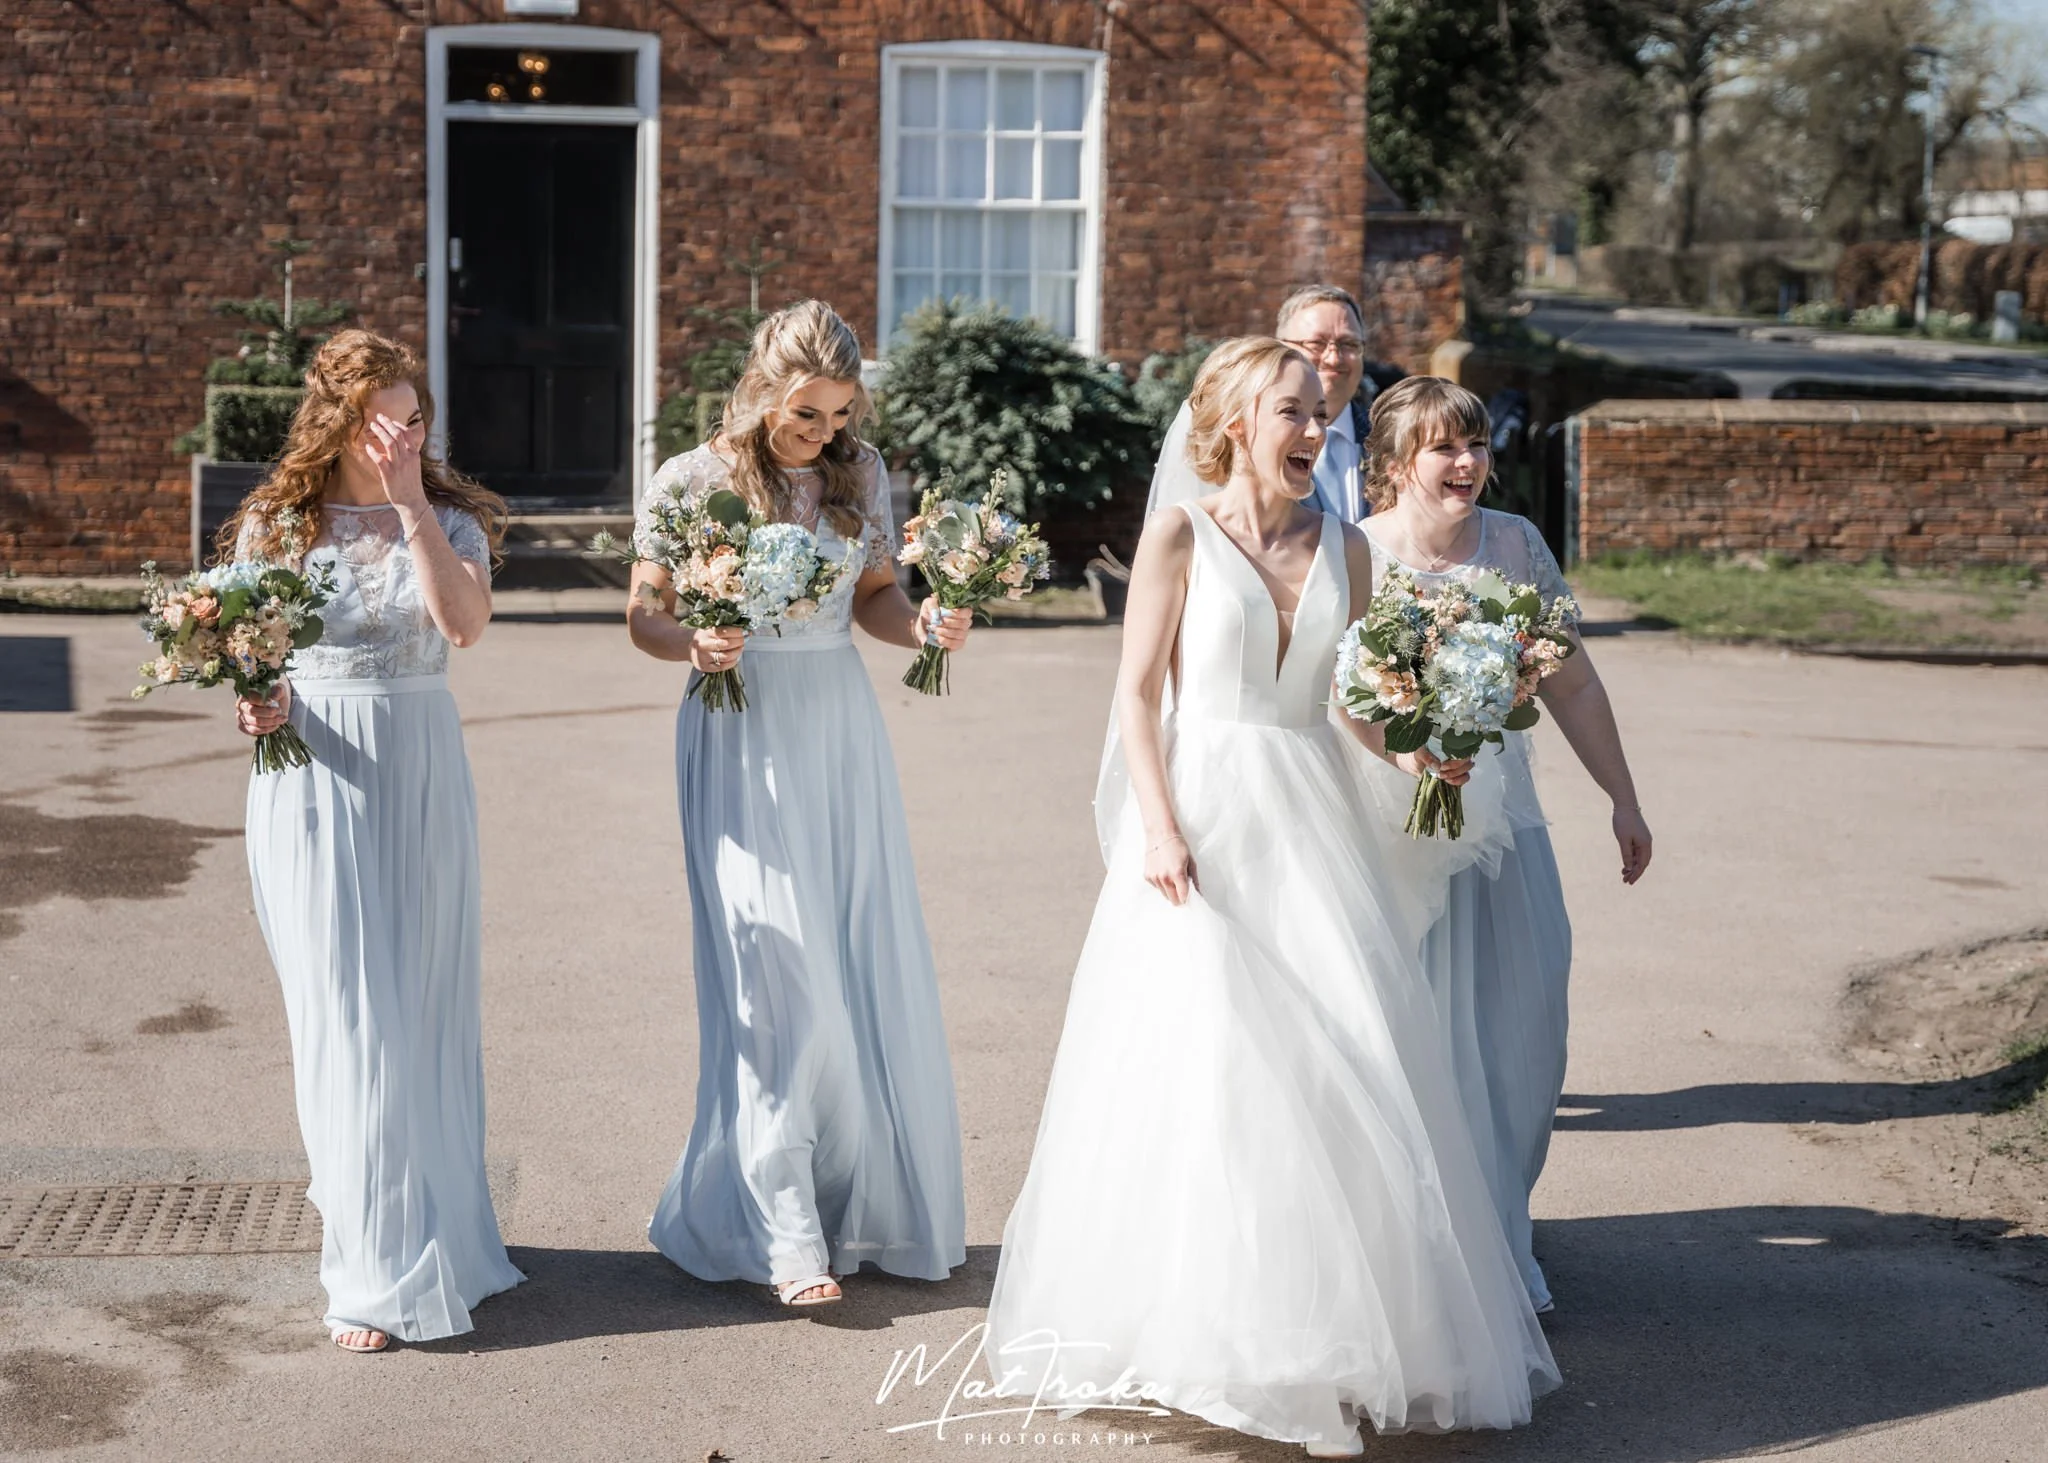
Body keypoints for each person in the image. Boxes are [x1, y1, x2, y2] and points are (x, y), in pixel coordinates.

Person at [986, 338, 1557, 1456]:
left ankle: (1323, 1337)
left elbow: (1349, 707)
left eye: (1317, 413)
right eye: (1288, 411)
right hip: (1200, 819)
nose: (1311, 428)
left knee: (1333, 1064)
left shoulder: (1344, 544)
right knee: (1207, 1069)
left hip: (1311, 823)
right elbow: (1137, 695)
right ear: (1236, 421)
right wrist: (1157, 827)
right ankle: (1200, 1334)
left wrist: (1418, 761)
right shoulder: (1178, 533)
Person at [629, 301, 970, 1307]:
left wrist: (927, 625)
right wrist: (692, 642)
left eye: (837, 414)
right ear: (760, 391)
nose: (823, 433)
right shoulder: (688, 481)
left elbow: (872, 599)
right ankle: (783, 1225)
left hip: (835, 729)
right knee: (774, 965)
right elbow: (643, 612)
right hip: (736, 727)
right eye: (805, 415)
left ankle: (837, 1193)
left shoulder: (859, 476)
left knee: (848, 955)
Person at [228, 329, 524, 1354]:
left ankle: (439, 1229)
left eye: (417, 412)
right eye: (389, 413)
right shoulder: (273, 523)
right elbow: (245, 649)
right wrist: (255, 700)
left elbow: (464, 626)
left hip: (421, 770)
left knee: (424, 1009)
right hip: (312, 777)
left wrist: (409, 510)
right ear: (345, 421)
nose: (409, 429)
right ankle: (367, 1264)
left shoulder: (447, 519)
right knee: (346, 1016)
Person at [1359, 376, 1654, 1314]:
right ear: (1400, 463)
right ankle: (1440, 1248)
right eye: (1446, 447)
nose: (1468, 463)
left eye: (1478, 445)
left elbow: (1571, 684)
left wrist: (1623, 796)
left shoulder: (1519, 544)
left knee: (1526, 1033)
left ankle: (1501, 1220)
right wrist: (1409, 753)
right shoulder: (1355, 555)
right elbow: (1331, 697)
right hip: (1395, 829)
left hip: (1507, 823)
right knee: (1421, 1040)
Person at [1147, 284, 1382, 521]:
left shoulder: (1386, 442)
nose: (1333, 358)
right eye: (1317, 343)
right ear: (1281, 347)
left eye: (1349, 344)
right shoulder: (1238, 440)